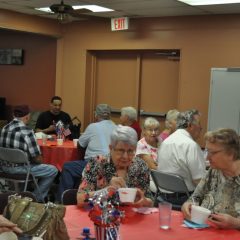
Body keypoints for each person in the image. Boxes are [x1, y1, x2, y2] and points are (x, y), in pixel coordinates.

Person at [77, 125, 153, 208]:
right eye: (121, 150)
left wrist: (144, 201)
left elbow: (150, 201)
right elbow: (80, 199)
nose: (125, 156)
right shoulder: (96, 163)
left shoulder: (140, 166)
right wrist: (106, 191)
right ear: (110, 148)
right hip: (101, 218)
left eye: (130, 151)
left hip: (132, 217)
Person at [182, 128, 240, 229]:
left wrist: (236, 223)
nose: (207, 158)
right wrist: (187, 204)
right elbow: (195, 197)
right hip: (206, 231)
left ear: (231, 154)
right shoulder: (214, 171)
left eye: (212, 153)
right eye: (207, 151)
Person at [56, 104, 116, 202]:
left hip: (95, 164)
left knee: (68, 167)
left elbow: (80, 144)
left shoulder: (92, 126)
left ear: (96, 115)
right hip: (112, 165)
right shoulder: (116, 127)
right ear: (109, 115)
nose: (57, 106)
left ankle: (63, 200)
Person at [0, 105, 58, 202]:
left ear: (14, 115)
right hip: (19, 170)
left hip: (4, 168)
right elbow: (37, 159)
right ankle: (33, 198)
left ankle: (19, 195)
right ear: (27, 117)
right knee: (52, 170)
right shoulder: (27, 132)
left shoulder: (4, 128)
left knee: (28, 164)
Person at [157, 109, 206, 204]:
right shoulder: (191, 145)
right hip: (183, 199)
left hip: (162, 197)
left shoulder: (166, 142)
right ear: (190, 125)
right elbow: (199, 181)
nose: (201, 128)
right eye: (199, 124)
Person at [135, 117, 161, 192]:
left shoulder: (160, 140)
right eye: (150, 130)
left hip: (161, 174)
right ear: (144, 131)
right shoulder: (141, 145)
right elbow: (153, 167)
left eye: (156, 129)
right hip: (148, 178)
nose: (153, 133)